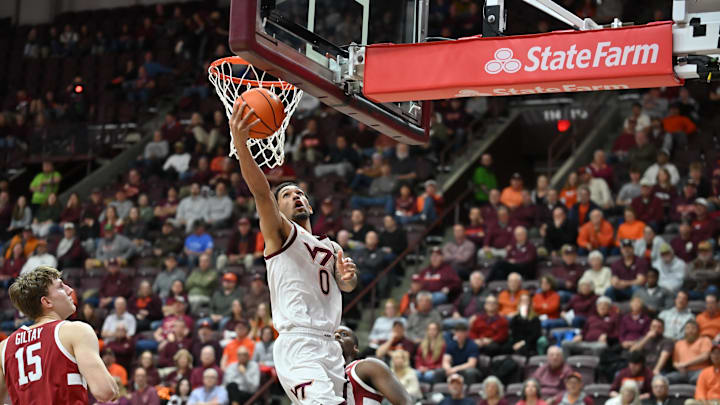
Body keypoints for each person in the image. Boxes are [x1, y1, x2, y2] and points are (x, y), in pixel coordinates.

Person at [230, 101, 359, 404]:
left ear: (310, 205)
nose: (297, 197)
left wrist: (349, 278)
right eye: (287, 195)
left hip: (330, 345)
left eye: (300, 193)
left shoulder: (332, 247)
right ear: (279, 208)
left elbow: (346, 286)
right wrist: (241, 144)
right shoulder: (280, 234)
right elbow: (261, 191)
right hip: (298, 341)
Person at [0, 266, 119, 403]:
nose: (70, 290)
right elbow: (105, 392)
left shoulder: (4, 347)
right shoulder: (76, 331)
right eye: (61, 287)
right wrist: (113, 388)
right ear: (47, 302)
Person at [335, 326, 414, 405]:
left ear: (355, 348)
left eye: (344, 334)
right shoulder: (325, 376)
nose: (336, 335)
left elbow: (405, 402)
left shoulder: (367, 366)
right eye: (332, 333)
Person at [667, 320, 711, 384]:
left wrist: (686, 364)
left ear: (698, 331)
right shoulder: (678, 343)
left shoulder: (704, 340)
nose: (690, 331)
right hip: (683, 372)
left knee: (696, 379)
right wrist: (678, 366)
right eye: (687, 328)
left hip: (700, 370)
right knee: (665, 379)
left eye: (693, 328)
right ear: (684, 331)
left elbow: (705, 356)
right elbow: (675, 362)